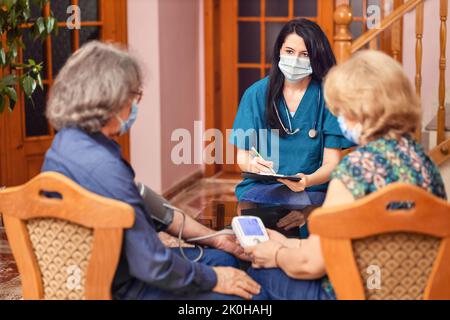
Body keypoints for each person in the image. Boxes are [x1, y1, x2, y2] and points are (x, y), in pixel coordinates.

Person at [42, 41, 260, 300]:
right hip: (122, 284)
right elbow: (153, 264)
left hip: (102, 266)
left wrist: (213, 238)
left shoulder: (65, 144)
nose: (135, 106)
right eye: (134, 96)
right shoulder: (105, 168)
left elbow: (150, 205)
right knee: (236, 297)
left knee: (222, 256)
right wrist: (215, 279)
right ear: (109, 99)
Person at [243, 50, 447, 300]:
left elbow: (310, 264)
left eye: (340, 110)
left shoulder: (355, 170)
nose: (337, 118)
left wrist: (274, 254)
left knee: (256, 276)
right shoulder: (423, 162)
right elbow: (367, 245)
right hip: (413, 291)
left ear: (358, 111)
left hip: (353, 292)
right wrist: (286, 243)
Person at [230, 19, 354, 232]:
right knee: (253, 236)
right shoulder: (256, 94)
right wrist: (253, 165)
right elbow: (242, 157)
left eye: (304, 54)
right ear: (279, 51)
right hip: (262, 188)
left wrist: (306, 181)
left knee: (308, 234)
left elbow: (332, 163)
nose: (295, 60)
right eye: (289, 51)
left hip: (313, 189)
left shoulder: (328, 97)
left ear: (315, 57)